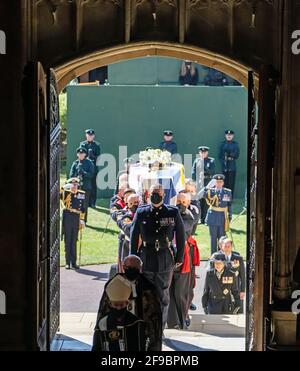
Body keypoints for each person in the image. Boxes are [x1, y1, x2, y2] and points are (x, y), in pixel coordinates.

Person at [130, 183, 185, 327]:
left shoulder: (172, 212)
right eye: (153, 193)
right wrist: (133, 258)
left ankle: (160, 327)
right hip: (145, 257)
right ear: (149, 194)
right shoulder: (141, 212)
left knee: (162, 295)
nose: (155, 196)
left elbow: (180, 236)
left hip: (165, 257)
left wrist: (180, 257)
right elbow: (134, 236)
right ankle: (146, 325)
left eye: (158, 194)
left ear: (163, 195)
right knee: (145, 295)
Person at [93, 255, 162, 351]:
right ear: (123, 267)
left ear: (140, 268)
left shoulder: (148, 287)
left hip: (138, 330)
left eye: (135, 268)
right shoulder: (114, 285)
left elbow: (154, 319)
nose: (132, 270)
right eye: (129, 268)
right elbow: (103, 311)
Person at [92, 274, 147, 351]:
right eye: (116, 305)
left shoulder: (136, 324)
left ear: (127, 303)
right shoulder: (102, 324)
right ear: (110, 304)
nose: (118, 308)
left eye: (121, 305)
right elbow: (96, 348)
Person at [167, 192, 194, 330]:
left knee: (180, 293)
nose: (180, 204)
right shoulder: (169, 214)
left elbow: (182, 230)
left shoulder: (189, 215)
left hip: (182, 259)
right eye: (178, 200)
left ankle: (181, 321)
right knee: (168, 291)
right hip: (168, 258)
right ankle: (171, 322)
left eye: (183, 202)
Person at [60, 178, 86, 270]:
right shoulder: (65, 193)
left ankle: (73, 262)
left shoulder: (81, 194)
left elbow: (83, 208)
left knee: (74, 240)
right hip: (67, 216)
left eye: (76, 184)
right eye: (72, 184)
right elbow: (56, 193)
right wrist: (63, 187)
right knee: (68, 240)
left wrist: (82, 219)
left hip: (76, 218)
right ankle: (67, 262)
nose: (74, 186)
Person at [204, 174, 232, 255]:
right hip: (213, 217)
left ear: (223, 183)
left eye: (220, 182)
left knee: (222, 238)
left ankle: (222, 255)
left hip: (223, 218)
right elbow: (202, 195)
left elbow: (229, 205)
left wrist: (229, 217)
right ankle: (213, 256)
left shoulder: (227, 192)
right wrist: (207, 186)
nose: (219, 183)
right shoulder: (210, 191)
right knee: (213, 239)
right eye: (217, 182)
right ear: (214, 183)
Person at [69, 147, 95, 223]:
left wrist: (83, 172)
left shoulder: (89, 163)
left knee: (84, 204)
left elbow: (91, 175)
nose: (81, 155)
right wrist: (76, 177)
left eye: (82, 153)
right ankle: (75, 219)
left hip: (86, 187)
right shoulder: (75, 163)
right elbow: (71, 175)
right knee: (75, 203)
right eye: (79, 154)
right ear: (77, 154)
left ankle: (83, 220)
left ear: (85, 154)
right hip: (76, 187)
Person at [192, 146, 216, 223]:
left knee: (206, 201)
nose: (203, 154)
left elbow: (212, 172)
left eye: (204, 152)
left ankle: (205, 219)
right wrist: (194, 182)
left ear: (207, 153)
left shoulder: (211, 161)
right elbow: (193, 172)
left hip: (207, 182)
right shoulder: (197, 160)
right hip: (199, 182)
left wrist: (204, 166)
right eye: (201, 152)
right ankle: (199, 218)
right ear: (199, 153)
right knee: (199, 201)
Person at [117, 194, 141, 270]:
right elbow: (129, 228)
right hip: (128, 248)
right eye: (133, 203)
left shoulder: (143, 214)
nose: (136, 205)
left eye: (137, 202)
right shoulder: (126, 217)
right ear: (129, 204)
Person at [80, 129, 101, 208]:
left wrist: (93, 156)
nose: (90, 136)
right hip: (84, 167)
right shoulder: (82, 144)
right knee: (83, 185)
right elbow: (80, 155)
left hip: (93, 168)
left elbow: (99, 158)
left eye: (91, 135)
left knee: (93, 186)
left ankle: (92, 202)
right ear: (86, 135)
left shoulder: (96, 145)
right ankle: (84, 202)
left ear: (93, 136)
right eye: (88, 135)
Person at [219, 130, 240, 197]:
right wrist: (224, 161)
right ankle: (223, 197)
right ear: (225, 136)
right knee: (224, 182)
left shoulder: (235, 144)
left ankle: (230, 197)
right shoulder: (222, 144)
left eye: (230, 135)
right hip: (224, 166)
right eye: (227, 135)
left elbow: (237, 155)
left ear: (232, 136)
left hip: (232, 166)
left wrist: (230, 154)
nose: (229, 136)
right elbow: (220, 155)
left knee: (231, 183)